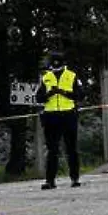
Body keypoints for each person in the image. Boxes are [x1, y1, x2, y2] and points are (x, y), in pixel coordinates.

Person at [37, 51, 81, 189]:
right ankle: (50, 180)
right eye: (53, 62)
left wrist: (64, 93)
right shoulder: (46, 77)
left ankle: (74, 178)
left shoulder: (72, 76)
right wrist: (49, 93)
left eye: (58, 62)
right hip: (51, 116)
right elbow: (38, 98)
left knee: (71, 148)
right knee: (52, 150)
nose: (55, 65)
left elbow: (80, 95)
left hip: (68, 114)